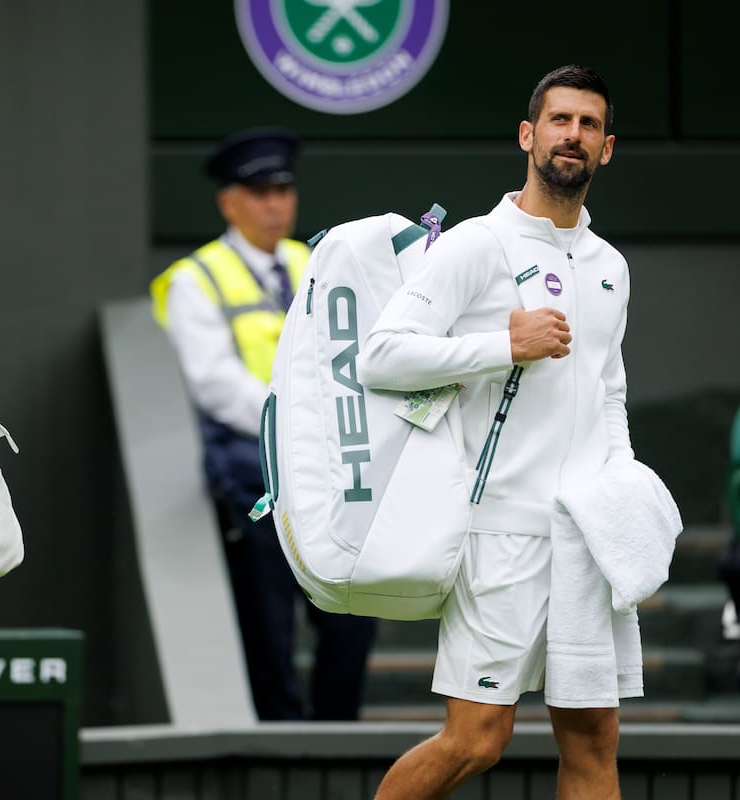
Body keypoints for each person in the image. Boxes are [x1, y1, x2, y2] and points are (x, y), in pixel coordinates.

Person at [358, 65, 632, 797]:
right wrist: (501, 345)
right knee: (476, 740)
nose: (572, 135)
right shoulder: (477, 244)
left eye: (589, 125)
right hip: (500, 536)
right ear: (528, 134)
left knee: (594, 744)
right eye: (559, 120)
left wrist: (623, 485)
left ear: (606, 149)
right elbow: (379, 356)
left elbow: (608, 387)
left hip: (586, 541)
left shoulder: (612, 267)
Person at [150, 127, 377, 721]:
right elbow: (215, 384)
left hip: (332, 471)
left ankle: (337, 736)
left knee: (354, 608)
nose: (275, 203)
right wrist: (301, 426)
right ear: (229, 202)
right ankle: (283, 743)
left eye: (283, 189)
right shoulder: (194, 278)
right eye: (259, 191)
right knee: (268, 621)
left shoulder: (313, 259)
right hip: (258, 477)